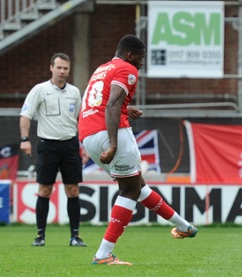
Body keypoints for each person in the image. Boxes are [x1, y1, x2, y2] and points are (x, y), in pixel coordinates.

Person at [78, 34, 198, 266]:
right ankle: (104, 254)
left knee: (137, 186)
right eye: (141, 58)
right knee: (129, 191)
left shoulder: (102, 69)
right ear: (130, 55)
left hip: (88, 135)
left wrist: (125, 107)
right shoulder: (127, 69)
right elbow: (112, 104)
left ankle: (185, 227)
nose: (142, 63)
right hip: (110, 134)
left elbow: (100, 102)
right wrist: (113, 144)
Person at [20, 53, 89, 247]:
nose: (62, 71)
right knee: (45, 190)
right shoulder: (39, 90)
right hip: (48, 145)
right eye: (58, 67)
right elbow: (25, 115)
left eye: (65, 68)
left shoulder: (75, 92)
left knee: (73, 190)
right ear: (51, 68)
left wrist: (83, 145)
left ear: (69, 69)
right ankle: (40, 236)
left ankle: (75, 236)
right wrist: (25, 139)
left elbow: (80, 120)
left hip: (70, 145)